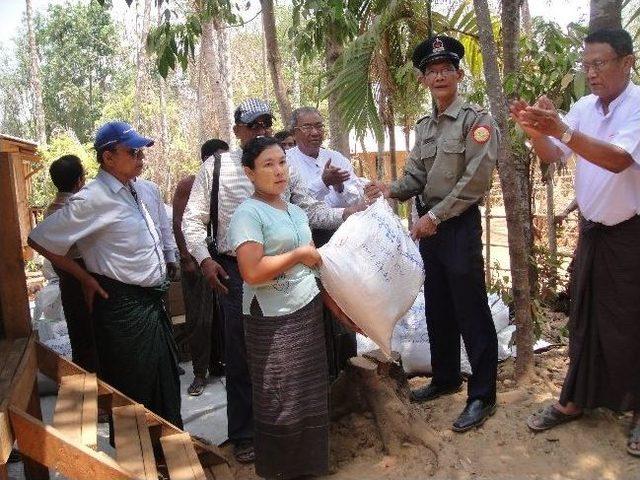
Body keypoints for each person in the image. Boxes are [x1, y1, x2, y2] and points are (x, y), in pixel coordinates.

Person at [182, 98, 362, 463]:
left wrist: (352, 211)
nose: (262, 130)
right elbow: (193, 219)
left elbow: (310, 211)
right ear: (237, 132)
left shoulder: (285, 169)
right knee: (244, 355)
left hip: (294, 277)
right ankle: (247, 434)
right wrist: (204, 260)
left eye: (267, 123)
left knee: (293, 361)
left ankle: (298, 437)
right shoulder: (217, 168)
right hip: (236, 271)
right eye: (254, 125)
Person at [511, 28, 640, 456]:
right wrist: (534, 131)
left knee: (633, 325)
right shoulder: (585, 107)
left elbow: (619, 160)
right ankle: (574, 400)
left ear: (627, 62)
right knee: (584, 320)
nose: (591, 72)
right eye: (586, 65)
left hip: (631, 236)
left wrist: (562, 131)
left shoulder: (638, 106)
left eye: (599, 63)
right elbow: (556, 153)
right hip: (593, 232)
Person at [366, 35, 499, 432]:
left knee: (470, 308)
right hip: (430, 229)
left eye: (446, 69)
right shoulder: (425, 127)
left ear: (459, 74)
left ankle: (483, 395)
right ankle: (445, 379)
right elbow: (417, 176)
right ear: (424, 80)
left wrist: (435, 217)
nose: (439, 76)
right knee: (439, 304)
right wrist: (389, 188)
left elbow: (476, 181)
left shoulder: (477, 121)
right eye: (431, 71)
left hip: (456, 225)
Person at [28, 121, 182, 429]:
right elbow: (39, 239)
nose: (140, 158)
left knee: (162, 381)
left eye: (141, 152)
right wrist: (84, 277)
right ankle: (143, 464)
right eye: (132, 152)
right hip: (123, 307)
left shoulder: (134, 190)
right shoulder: (92, 198)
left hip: (148, 304)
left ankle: (166, 448)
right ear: (108, 157)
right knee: (134, 388)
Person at [228, 136, 328, 479]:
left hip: (306, 308)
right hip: (271, 317)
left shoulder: (296, 210)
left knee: (308, 392)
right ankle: (281, 470)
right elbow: (252, 272)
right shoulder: (247, 214)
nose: (278, 170)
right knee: (279, 396)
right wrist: (299, 255)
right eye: (268, 164)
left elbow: (313, 258)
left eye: (282, 162)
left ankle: (309, 467)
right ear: (249, 173)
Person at [173, 138, 229, 396]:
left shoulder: (229, 182)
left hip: (221, 256)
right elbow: (179, 222)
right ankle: (199, 373)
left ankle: (219, 363)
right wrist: (186, 257)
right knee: (199, 318)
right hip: (197, 258)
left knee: (221, 316)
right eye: (215, 159)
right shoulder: (190, 184)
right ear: (205, 159)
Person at [45, 154, 98, 373]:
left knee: (79, 335)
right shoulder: (78, 210)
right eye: (84, 174)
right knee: (95, 336)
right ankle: (102, 393)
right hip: (86, 278)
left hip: (67, 281)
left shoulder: (50, 211)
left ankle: (88, 386)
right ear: (79, 181)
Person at [135, 177, 179, 280]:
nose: (140, 162)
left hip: (157, 263)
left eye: (141, 159)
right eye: (134, 159)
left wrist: (170, 257)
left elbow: (164, 226)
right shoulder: (102, 193)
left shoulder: (151, 188)